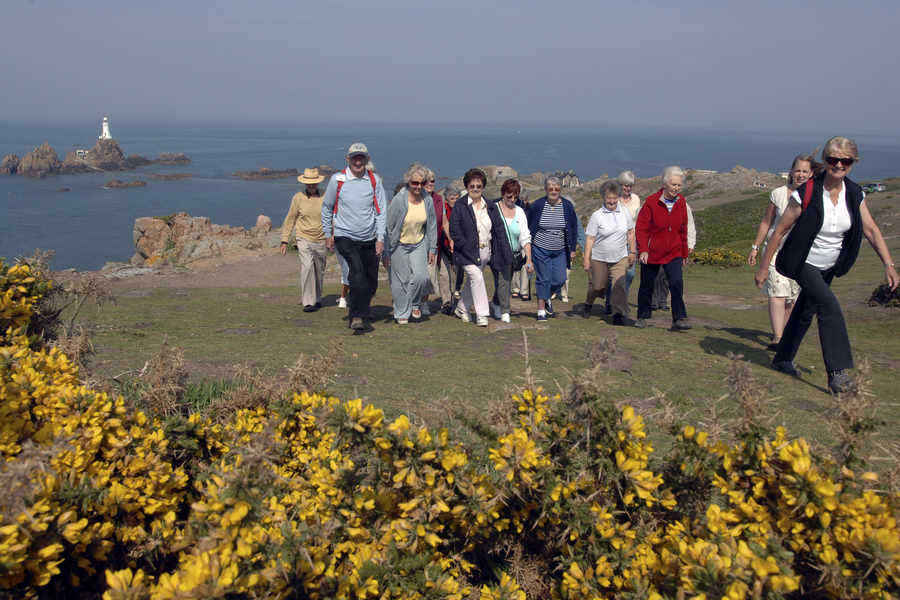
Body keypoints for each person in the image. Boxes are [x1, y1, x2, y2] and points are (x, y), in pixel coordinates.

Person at [754, 136, 898, 393]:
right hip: (803, 263)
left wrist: (888, 264)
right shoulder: (807, 191)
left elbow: (872, 230)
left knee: (804, 311)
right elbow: (779, 231)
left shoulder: (854, 194)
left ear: (853, 163)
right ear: (825, 160)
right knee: (829, 306)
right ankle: (837, 374)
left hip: (830, 266)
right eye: (833, 159)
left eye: (845, 161)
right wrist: (765, 267)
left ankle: (783, 358)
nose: (839, 165)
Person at [748, 153, 817, 349]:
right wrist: (755, 246)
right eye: (798, 170)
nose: (801, 175)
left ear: (811, 174)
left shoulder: (816, 197)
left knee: (791, 297)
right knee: (777, 292)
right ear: (791, 172)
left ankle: (784, 334)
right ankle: (778, 336)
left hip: (801, 253)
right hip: (775, 251)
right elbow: (766, 222)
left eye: (805, 171)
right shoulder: (778, 194)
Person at [321, 142, 387, 331]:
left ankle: (363, 308)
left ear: (366, 160)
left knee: (371, 280)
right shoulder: (337, 180)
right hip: (345, 236)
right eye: (354, 158)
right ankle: (356, 316)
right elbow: (326, 207)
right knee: (357, 274)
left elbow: (381, 211)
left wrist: (380, 238)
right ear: (347, 159)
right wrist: (328, 233)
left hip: (369, 238)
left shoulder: (374, 180)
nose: (358, 161)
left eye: (362, 158)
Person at [449, 168, 509, 327]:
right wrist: (465, 245)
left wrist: (505, 250)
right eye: (472, 186)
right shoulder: (460, 206)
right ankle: (482, 314)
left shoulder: (490, 206)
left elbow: (499, 228)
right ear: (467, 187)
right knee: (477, 277)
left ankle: (461, 308)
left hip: (485, 251)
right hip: (466, 253)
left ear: (483, 187)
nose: (475, 189)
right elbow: (454, 231)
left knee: (473, 281)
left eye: (478, 186)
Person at [635, 166, 692, 330]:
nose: (676, 188)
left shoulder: (681, 202)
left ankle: (679, 318)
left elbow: (683, 229)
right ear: (665, 184)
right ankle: (642, 316)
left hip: (673, 251)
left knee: (676, 283)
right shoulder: (651, 202)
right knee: (647, 284)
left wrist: (684, 252)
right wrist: (643, 249)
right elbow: (641, 228)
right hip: (652, 252)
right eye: (674, 184)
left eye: (679, 185)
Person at [385, 164, 437, 324]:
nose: (418, 187)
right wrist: (386, 251)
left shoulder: (427, 200)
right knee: (401, 281)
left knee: (422, 277)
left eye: (422, 183)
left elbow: (432, 225)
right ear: (408, 182)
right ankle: (402, 311)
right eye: (415, 183)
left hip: (418, 242)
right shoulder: (399, 200)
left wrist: (432, 248)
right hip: (398, 244)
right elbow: (388, 226)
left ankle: (415, 303)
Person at [583, 180, 636, 324]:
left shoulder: (624, 212)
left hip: (620, 257)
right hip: (599, 258)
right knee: (597, 286)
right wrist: (587, 259)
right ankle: (588, 303)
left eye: (614, 198)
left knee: (619, 285)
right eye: (609, 198)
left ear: (618, 197)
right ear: (603, 198)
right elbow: (590, 239)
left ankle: (618, 314)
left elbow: (631, 233)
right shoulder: (597, 215)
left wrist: (632, 252)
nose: (612, 201)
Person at [526, 176, 579, 321]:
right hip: (540, 248)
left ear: (560, 190)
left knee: (560, 278)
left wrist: (573, 248)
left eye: (557, 189)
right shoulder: (537, 205)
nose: (554, 191)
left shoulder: (567, 206)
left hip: (560, 250)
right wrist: (528, 247)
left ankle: (547, 296)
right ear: (546, 190)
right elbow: (528, 224)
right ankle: (541, 310)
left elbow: (573, 228)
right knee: (543, 279)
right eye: (551, 189)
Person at [280, 167, 328, 312]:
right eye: (308, 183)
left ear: (318, 183)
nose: (311, 185)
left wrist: (333, 236)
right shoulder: (298, 198)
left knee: (319, 270)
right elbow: (290, 219)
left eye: (314, 183)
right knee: (307, 267)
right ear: (305, 183)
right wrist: (284, 240)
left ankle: (317, 298)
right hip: (303, 237)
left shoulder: (325, 196)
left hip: (321, 238)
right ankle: (308, 301)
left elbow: (332, 216)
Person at [491, 179, 533, 323]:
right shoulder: (493, 208)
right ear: (503, 193)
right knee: (504, 282)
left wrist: (528, 258)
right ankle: (505, 311)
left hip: (513, 254)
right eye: (509, 196)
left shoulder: (520, 212)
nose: (512, 200)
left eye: (515, 197)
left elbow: (525, 236)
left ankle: (497, 304)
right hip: (496, 252)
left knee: (504, 282)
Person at [603, 171, 642, 314]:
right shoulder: (614, 200)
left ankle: (620, 300)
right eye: (625, 186)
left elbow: (638, 219)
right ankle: (611, 301)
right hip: (616, 241)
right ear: (620, 185)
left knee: (630, 274)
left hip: (631, 241)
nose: (628, 189)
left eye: (630, 186)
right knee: (613, 273)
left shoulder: (636, 199)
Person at [650, 202, 696, 310]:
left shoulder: (684, 206)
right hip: (658, 245)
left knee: (668, 275)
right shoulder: (655, 203)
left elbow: (689, 225)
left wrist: (690, 244)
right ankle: (654, 300)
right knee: (657, 273)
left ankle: (663, 301)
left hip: (675, 246)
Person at [422, 168, 451, 314]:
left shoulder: (439, 199)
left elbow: (444, 221)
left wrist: (451, 238)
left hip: (440, 242)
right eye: (426, 181)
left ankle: (447, 302)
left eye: (432, 181)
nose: (430, 183)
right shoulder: (418, 199)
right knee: (428, 275)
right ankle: (423, 303)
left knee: (445, 273)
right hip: (424, 244)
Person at [512, 188, 532, 300]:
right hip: (515, 239)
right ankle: (515, 288)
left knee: (525, 265)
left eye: (526, 199)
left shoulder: (530, 208)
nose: (524, 201)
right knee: (515, 266)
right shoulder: (516, 207)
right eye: (522, 199)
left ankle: (524, 290)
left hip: (526, 239)